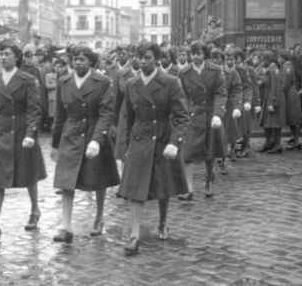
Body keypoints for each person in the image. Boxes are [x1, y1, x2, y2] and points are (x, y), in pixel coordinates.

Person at [117, 42, 189, 255]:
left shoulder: (170, 82)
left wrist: (174, 143)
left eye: (147, 57)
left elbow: (182, 117)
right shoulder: (131, 84)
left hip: (162, 138)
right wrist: (126, 145)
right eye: (139, 57)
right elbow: (128, 117)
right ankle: (134, 234)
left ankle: (163, 221)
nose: (142, 61)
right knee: (135, 189)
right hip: (140, 139)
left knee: (162, 185)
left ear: (157, 59)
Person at [0, 39, 47, 240]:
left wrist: (31, 133)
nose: (3, 57)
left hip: (22, 131)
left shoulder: (27, 80)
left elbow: (34, 109)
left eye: (7, 54)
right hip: (1, 131)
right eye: (1, 54)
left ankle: (35, 210)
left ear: (16, 57)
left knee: (29, 174)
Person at [50, 45, 119, 243]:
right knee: (66, 181)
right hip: (71, 136)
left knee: (99, 179)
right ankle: (66, 226)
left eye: (82, 59)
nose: (77, 62)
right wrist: (55, 144)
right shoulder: (64, 81)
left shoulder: (102, 81)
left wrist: (97, 140)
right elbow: (60, 115)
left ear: (91, 61)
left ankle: (99, 217)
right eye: (75, 59)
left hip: (94, 134)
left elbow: (107, 112)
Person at [179, 40, 227, 199]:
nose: (195, 57)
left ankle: (208, 182)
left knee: (209, 151)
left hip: (210, 116)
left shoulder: (215, 70)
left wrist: (217, 114)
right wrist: (183, 114)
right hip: (193, 116)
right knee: (188, 153)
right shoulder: (184, 73)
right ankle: (189, 189)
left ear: (205, 54)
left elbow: (221, 93)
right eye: (193, 54)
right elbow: (182, 96)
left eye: (199, 53)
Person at [212, 48, 243, 172]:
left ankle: (224, 161)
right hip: (214, 106)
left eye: (217, 58)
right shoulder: (211, 72)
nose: (215, 61)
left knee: (227, 133)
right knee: (213, 134)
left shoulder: (233, 73)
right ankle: (212, 165)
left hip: (228, 105)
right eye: (213, 58)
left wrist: (237, 106)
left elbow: (238, 90)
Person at [258, 50, 286, 153]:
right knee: (268, 122)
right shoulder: (271, 69)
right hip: (269, 97)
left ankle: (277, 144)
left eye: (263, 60)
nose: (262, 62)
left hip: (274, 98)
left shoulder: (274, 70)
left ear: (268, 59)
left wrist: (273, 103)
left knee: (276, 123)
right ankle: (269, 142)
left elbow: (276, 88)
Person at [233, 47, 258, 157]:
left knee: (246, 126)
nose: (234, 60)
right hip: (236, 100)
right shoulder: (233, 69)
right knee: (237, 125)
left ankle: (245, 147)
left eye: (236, 58)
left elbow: (253, 87)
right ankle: (238, 146)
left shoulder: (248, 70)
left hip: (246, 101)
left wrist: (256, 103)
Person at [278, 49, 302, 150]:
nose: (278, 60)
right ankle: (294, 139)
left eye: (279, 58)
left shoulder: (287, 67)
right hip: (288, 94)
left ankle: (296, 141)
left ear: (284, 58)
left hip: (289, 95)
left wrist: (280, 95)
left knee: (293, 119)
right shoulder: (286, 66)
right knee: (291, 119)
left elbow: (285, 84)